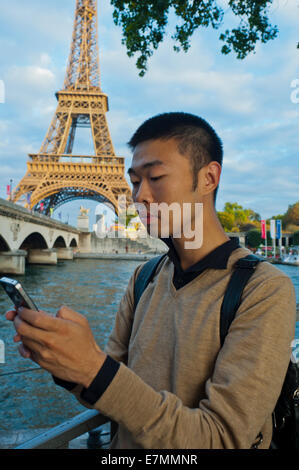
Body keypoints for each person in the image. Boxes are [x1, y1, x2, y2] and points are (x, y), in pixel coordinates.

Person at [6, 112, 296, 449]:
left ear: (208, 178)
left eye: (155, 177)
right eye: (133, 181)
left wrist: (93, 368)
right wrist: (66, 361)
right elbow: (108, 390)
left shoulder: (264, 289)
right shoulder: (143, 277)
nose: (139, 196)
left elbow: (222, 439)